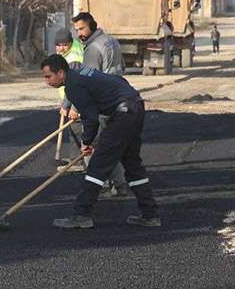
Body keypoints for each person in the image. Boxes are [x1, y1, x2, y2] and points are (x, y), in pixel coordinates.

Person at [41, 54, 161, 229]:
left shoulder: (73, 86)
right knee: (132, 164)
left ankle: (81, 215)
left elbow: (90, 119)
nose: (46, 81)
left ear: (60, 73)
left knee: (98, 165)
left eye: (48, 76)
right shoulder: (82, 73)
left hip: (124, 113)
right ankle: (150, 215)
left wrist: (86, 142)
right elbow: (118, 81)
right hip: (135, 106)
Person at [72, 12, 128, 196]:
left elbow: (87, 81)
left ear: (92, 25)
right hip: (119, 100)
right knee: (109, 147)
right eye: (77, 30)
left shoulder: (92, 49)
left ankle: (98, 186)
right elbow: (123, 68)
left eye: (82, 28)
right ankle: (120, 185)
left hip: (103, 103)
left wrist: (75, 107)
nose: (79, 33)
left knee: (92, 147)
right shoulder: (111, 41)